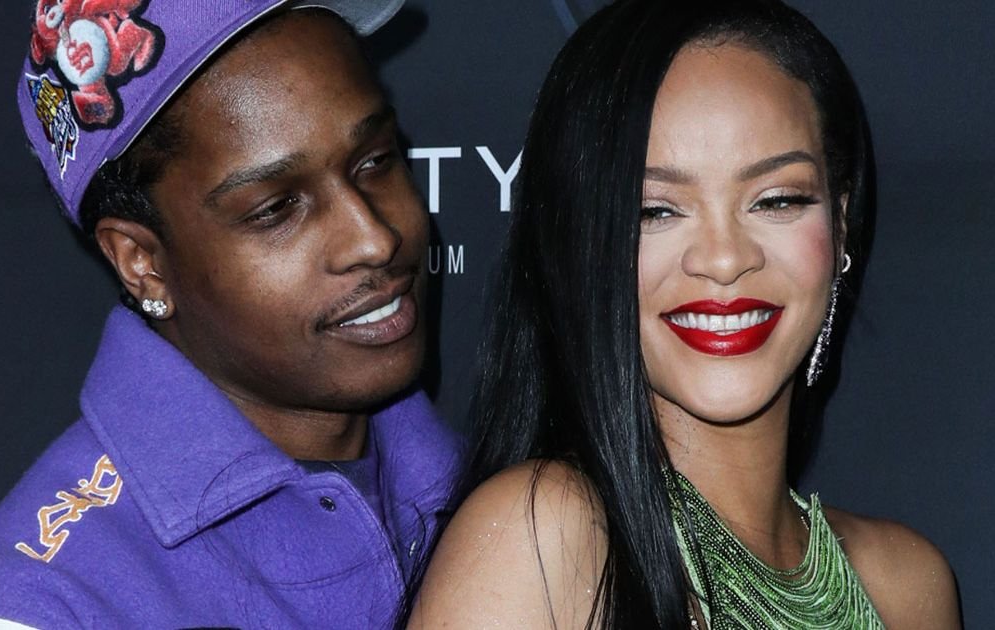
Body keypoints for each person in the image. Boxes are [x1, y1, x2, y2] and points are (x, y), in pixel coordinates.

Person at [406, 1, 961, 628]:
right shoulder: (540, 540)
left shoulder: (907, 586)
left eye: (776, 200)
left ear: (839, 225)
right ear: (580, 247)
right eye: (655, 210)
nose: (724, 260)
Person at [0, 1, 459, 628]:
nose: (373, 239)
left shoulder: (491, 471)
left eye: (375, 161)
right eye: (275, 209)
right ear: (142, 262)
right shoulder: (50, 606)